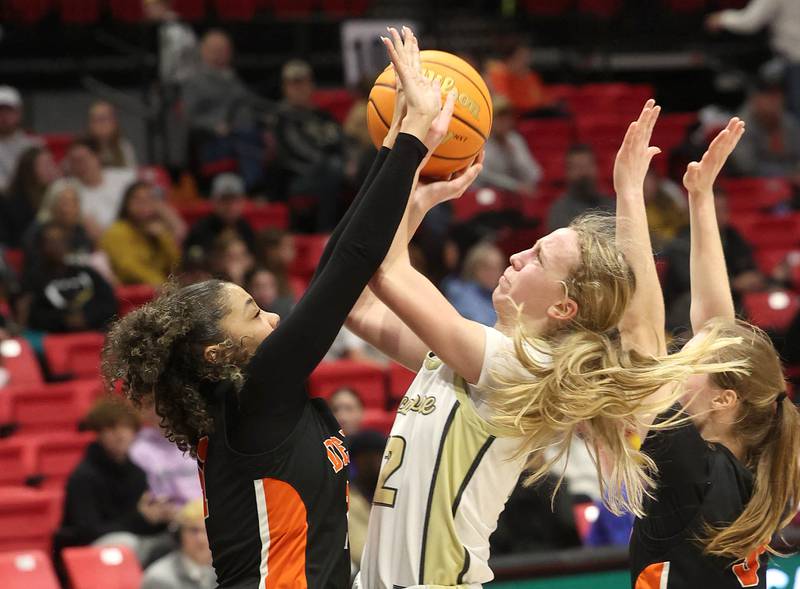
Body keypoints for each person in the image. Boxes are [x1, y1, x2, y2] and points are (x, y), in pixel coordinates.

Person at [346, 99, 744, 588]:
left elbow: (387, 274)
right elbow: (361, 307)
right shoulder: (472, 356)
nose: (515, 255)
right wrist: (413, 195)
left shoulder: (517, 363)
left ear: (563, 307)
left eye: (536, 258)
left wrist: (407, 152)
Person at [101, 27, 446, 588]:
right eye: (254, 313)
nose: (276, 317)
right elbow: (347, 265)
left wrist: (392, 149)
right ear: (220, 353)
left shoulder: (251, 405)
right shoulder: (258, 395)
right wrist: (408, 142)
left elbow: (337, 257)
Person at [615, 112, 800, 587]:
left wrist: (629, 192)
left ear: (723, 398)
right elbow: (720, 328)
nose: (678, 362)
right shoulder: (758, 467)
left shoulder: (689, 463)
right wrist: (701, 198)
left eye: (693, 361)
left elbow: (638, 329)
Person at [54, 398, 175, 567]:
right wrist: (141, 519)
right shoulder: (83, 477)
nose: (120, 435)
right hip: (92, 549)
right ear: (99, 434)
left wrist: (164, 517)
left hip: (137, 540)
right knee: (125, 544)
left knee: (185, 535)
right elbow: (88, 532)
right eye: (111, 428)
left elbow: (144, 520)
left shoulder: (139, 471)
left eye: (127, 427)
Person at [662, 187, 764, 335]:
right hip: (686, 307)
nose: (721, 215)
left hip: (729, 301)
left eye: (724, 209)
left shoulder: (732, 235)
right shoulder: (682, 241)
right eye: (715, 210)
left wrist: (756, 278)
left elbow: (749, 266)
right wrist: (735, 283)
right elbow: (692, 282)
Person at [182, 30, 266, 190]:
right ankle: (252, 189)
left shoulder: (234, 78)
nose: (219, 54)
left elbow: (251, 105)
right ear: (203, 51)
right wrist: (214, 126)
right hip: (213, 140)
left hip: (245, 132)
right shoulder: (194, 81)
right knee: (246, 145)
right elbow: (189, 117)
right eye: (215, 50)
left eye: (223, 50)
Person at [275, 59, 346, 231]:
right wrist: (327, 161)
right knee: (333, 168)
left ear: (311, 84)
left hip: (331, 170)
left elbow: (341, 141)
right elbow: (296, 151)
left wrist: (349, 162)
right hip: (296, 177)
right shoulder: (281, 117)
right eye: (294, 84)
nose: (299, 88)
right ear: (285, 87)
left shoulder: (322, 116)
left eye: (303, 82)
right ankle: (327, 231)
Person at [16, 222, 117, 333]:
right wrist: (64, 320)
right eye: (51, 241)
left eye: (61, 241)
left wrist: (88, 317)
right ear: (40, 246)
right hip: (55, 337)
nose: (57, 246)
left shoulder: (86, 272)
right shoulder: (33, 278)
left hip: (94, 331)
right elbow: (31, 315)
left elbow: (109, 302)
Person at [706, 0, 800, 116]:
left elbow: (750, 22)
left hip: (794, 60)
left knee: (794, 116)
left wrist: (721, 19)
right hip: (791, 60)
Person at [100, 181, 181, 286]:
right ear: (126, 204)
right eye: (137, 199)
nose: (144, 203)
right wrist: (162, 285)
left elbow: (177, 265)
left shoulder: (158, 230)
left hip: (161, 291)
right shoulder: (116, 231)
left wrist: (163, 238)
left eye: (149, 198)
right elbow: (128, 268)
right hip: (131, 293)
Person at [130, 402, 203, 507]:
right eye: (150, 404)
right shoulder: (139, 448)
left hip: (207, 511)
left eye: (162, 403)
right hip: (169, 517)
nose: (159, 411)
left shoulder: (198, 437)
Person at [728, 77, 800, 177]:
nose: (775, 102)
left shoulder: (788, 122)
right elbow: (746, 166)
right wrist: (788, 175)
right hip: (750, 184)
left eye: (778, 97)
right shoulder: (740, 125)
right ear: (755, 99)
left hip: (789, 182)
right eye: (770, 98)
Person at [66, 138, 137, 234]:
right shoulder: (69, 190)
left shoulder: (126, 178)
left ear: (97, 157)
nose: (80, 165)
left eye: (83, 159)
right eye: (74, 161)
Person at [474, 96, 541, 196]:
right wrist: (514, 186)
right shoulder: (481, 142)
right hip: (483, 197)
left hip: (512, 199)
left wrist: (514, 154)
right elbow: (482, 175)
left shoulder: (515, 140)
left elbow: (534, 175)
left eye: (507, 118)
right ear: (490, 120)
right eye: (499, 118)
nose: (503, 123)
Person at [142, 499, 216, 589]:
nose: (201, 539)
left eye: (207, 531)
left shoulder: (224, 569)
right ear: (178, 535)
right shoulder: (159, 579)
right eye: (194, 530)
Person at [184, 173, 255, 263]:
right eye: (224, 200)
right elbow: (193, 261)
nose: (230, 206)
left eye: (234, 200)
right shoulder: (200, 230)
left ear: (242, 202)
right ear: (213, 201)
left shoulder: (245, 228)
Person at [0, 145, 60, 247]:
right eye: (45, 165)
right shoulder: (10, 200)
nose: (51, 169)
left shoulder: (57, 194)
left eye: (51, 163)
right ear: (29, 169)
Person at [547, 144, 614, 232]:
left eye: (587, 166)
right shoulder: (559, 210)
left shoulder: (611, 205)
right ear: (568, 172)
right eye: (577, 167)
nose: (583, 173)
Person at [347, 430, 387, 572]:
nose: (375, 461)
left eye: (380, 455)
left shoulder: (391, 495)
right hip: (359, 571)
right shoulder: (348, 498)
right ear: (358, 459)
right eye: (369, 456)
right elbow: (359, 551)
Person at [442, 241, 505, 326]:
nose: (493, 273)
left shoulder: (502, 297)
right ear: (474, 267)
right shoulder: (457, 291)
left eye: (497, 268)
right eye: (487, 267)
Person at [486, 42, 556, 116]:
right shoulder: (499, 75)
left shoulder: (530, 76)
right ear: (510, 59)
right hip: (517, 115)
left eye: (527, 58)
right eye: (521, 58)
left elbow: (541, 98)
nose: (525, 62)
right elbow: (503, 102)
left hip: (537, 112)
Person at [0, 86, 41, 192]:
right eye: (0, 110)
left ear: (19, 113)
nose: (3, 116)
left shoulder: (34, 145)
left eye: (8, 110)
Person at [643, 168, 687, 251]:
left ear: (656, 181)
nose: (646, 187)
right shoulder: (633, 206)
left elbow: (683, 217)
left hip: (675, 241)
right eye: (643, 188)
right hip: (652, 247)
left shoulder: (669, 195)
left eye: (648, 184)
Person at [87, 101, 138, 169]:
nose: (100, 125)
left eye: (103, 119)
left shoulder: (124, 147)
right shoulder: (82, 149)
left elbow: (131, 174)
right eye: (95, 120)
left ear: (114, 122)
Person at [254, 227, 296, 302]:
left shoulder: (282, 273)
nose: (293, 252)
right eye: (286, 247)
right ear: (271, 251)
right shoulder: (261, 277)